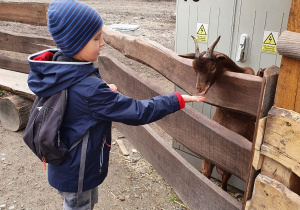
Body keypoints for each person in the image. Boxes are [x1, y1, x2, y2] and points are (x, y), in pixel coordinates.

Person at [27, 0, 205, 209]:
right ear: (75, 43)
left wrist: (101, 91)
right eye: (96, 38)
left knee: (83, 201)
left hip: (65, 165)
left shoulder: (59, 69)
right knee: (78, 205)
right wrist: (176, 100)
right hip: (78, 172)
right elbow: (138, 112)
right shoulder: (90, 90)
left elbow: (76, 100)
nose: (102, 43)